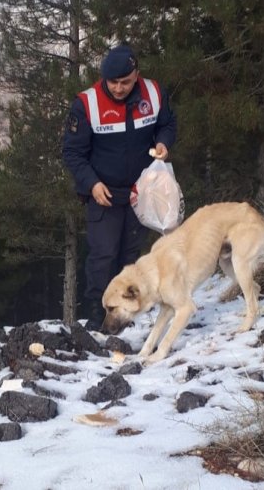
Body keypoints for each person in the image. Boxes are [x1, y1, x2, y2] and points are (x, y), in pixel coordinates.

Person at [62, 44, 177, 330]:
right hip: (103, 194)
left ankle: (127, 320)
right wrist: (91, 184)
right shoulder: (86, 104)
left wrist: (163, 143)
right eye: (112, 82)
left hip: (141, 193)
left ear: (136, 74)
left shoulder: (153, 93)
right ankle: (93, 322)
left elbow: (168, 124)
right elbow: (72, 153)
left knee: (131, 258)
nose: (118, 88)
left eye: (125, 82)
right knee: (103, 257)